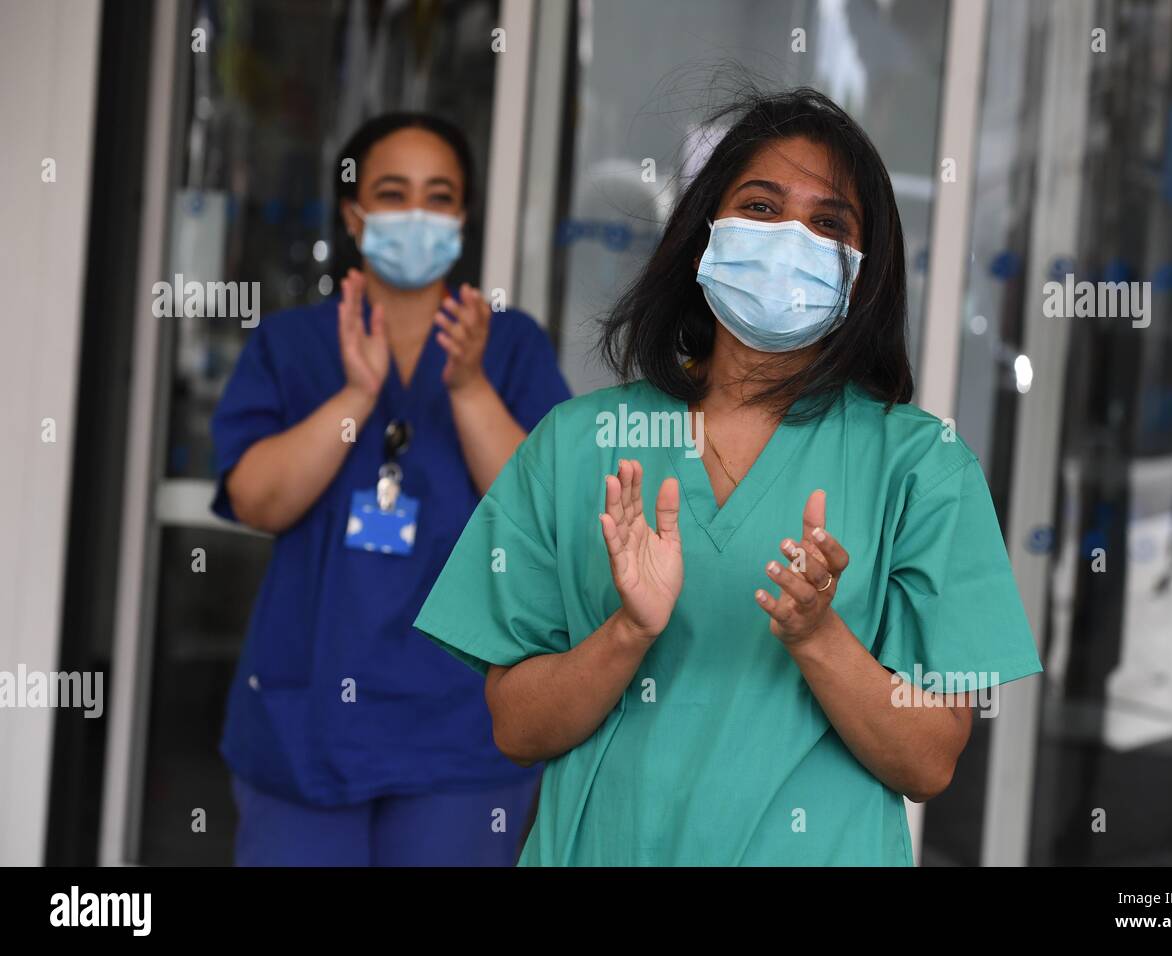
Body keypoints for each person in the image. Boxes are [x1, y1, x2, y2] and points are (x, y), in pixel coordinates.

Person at [413, 88, 1043, 865]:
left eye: (829, 223)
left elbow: (928, 759)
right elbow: (515, 727)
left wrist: (818, 636)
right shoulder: (580, 445)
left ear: (862, 272)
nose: (791, 238)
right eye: (762, 205)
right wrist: (627, 632)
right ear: (705, 231)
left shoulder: (921, 468)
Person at [210, 112, 570, 866]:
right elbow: (256, 499)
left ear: (463, 216)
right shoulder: (292, 344)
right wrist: (355, 398)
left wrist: (468, 391)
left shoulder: (512, 348)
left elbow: (541, 518)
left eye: (438, 197)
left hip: (460, 727)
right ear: (353, 212)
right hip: (305, 719)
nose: (416, 214)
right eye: (392, 192)